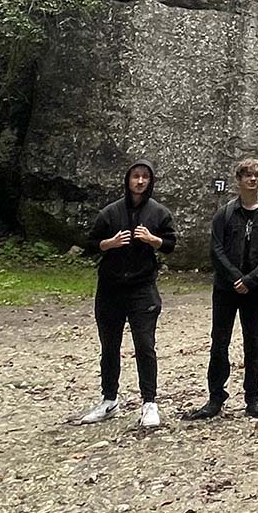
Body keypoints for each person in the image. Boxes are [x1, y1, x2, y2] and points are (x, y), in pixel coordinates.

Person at [79, 157, 177, 429]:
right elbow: (88, 244)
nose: (140, 181)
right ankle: (108, 399)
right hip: (110, 289)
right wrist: (108, 244)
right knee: (109, 347)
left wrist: (153, 240)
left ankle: (149, 403)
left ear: (151, 181)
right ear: (128, 179)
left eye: (145, 176)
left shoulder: (159, 213)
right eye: (136, 176)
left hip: (142, 288)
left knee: (144, 346)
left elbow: (170, 244)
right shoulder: (110, 213)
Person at [184, 157, 258, 421]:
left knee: (254, 343)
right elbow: (216, 249)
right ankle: (216, 397)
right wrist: (235, 277)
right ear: (238, 180)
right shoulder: (225, 213)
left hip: (256, 289)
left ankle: (252, 397)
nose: (252, 179)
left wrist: (250, 280)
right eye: (247, 175)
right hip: (225, 289)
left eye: (257, 175)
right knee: (220, 342)